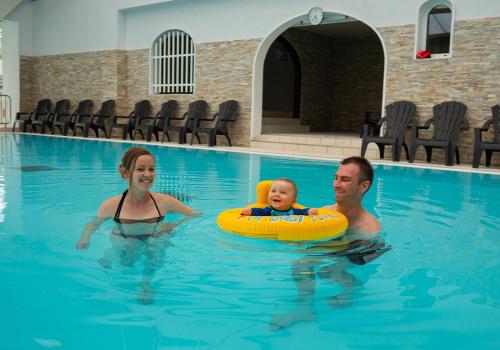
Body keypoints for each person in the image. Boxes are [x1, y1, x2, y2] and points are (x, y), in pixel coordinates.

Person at [269, 157, 388, 331]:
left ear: (364, 186)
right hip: (336, 245)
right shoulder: (325, 212)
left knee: (328, 270)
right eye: (336, 178)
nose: (336, 184)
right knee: (300, 264)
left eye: (345, 180)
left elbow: (362, 252)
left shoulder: (370, 228)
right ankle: (305, 308)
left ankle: (352, 287)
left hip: (367, 246)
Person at [76, 146, 199, 304]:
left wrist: (174, 224)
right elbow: (93, 224)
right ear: (126, 173)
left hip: (155, 236)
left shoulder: (164, 201)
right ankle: (110, 258)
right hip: (125, 237)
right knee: (127, 261)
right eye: (140, 169)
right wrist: (85, 238)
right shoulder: (112, 205)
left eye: (151, 169)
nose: (147, 174)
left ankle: (146, 284)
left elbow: (195, 215)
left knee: (155, 253)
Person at [240, 178, 318, 216]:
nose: (276, 194)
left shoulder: (294, 212)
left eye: (283, 192)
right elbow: (258, 211)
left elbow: (303, 212)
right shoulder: (267, 211)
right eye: (273, 191)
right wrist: (250, 211)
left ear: (293, 201)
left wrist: (309, 211)